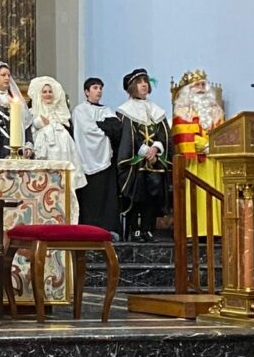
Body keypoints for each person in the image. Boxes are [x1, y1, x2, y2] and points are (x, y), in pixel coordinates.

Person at [116, 68, 172, 243]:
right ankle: (135, 230)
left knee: (152, 197)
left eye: (146, 82)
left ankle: (148, 229)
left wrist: (156, 149)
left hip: (155, 162)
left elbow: (164, 134)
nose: (144, 85)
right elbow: (127, 137)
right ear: (133, 86)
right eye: (140, 82)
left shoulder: (156, 110)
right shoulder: (125, 111)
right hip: (136, 162)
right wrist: (145, 152)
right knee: (137, 196)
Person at [171, 68, 225, 237]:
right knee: (197, 196)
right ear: (188, 90)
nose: (202, 88)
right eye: (197, 85)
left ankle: (215, 231)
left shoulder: (217, 110)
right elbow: (182, 135)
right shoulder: (181, 111)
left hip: (214, 161)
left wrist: (215, 145)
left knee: (215, 195)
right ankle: (194, 231)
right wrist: (205, 145)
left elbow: (223, 131)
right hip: (194, 162)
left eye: (203, 84)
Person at [71, 78, 122, 237]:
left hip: (106, 160)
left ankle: (108, 229)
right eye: (95, 87)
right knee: (89, 197)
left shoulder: (107, 110)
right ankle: (88, 229)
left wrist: (102, 126)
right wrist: (104, 127)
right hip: (86, 159)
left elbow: (116, 129)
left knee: (107, 196)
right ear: (87, 91)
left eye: (100, 87)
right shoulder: (80, 110)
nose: (99, 90)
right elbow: (87, 131)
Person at [27, 76, 87, 190]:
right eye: (44, 92)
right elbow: (28, 133)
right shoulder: (32, 112)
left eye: (50, 91)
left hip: (64, 149)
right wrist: (37, 124)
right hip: (44, 150)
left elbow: (68, 127)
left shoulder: (61, 113)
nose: (48, 94)